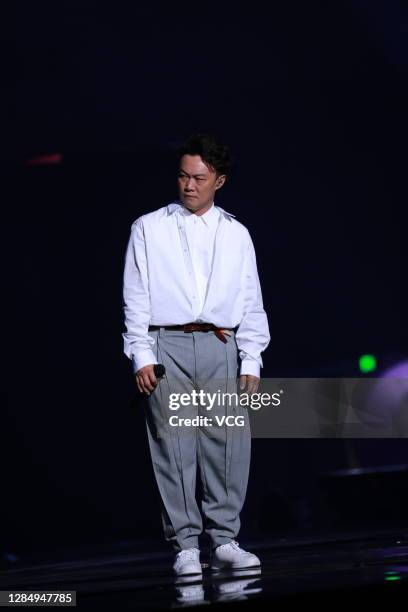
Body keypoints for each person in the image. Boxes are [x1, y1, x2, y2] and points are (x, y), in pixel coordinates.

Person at [122, 133, 270, 575]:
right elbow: (136, 296)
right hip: (167, 344)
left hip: (220, 343)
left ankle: (225, 538)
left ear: (219, 181)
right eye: (184, 176)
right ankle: (185, 545)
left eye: (199, 178)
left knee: (227, 442)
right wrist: (140, 354)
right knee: (172, 443)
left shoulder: (236, 233)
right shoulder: (149, 227)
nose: (189, 185)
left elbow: (251, 299)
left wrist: (252, 358)